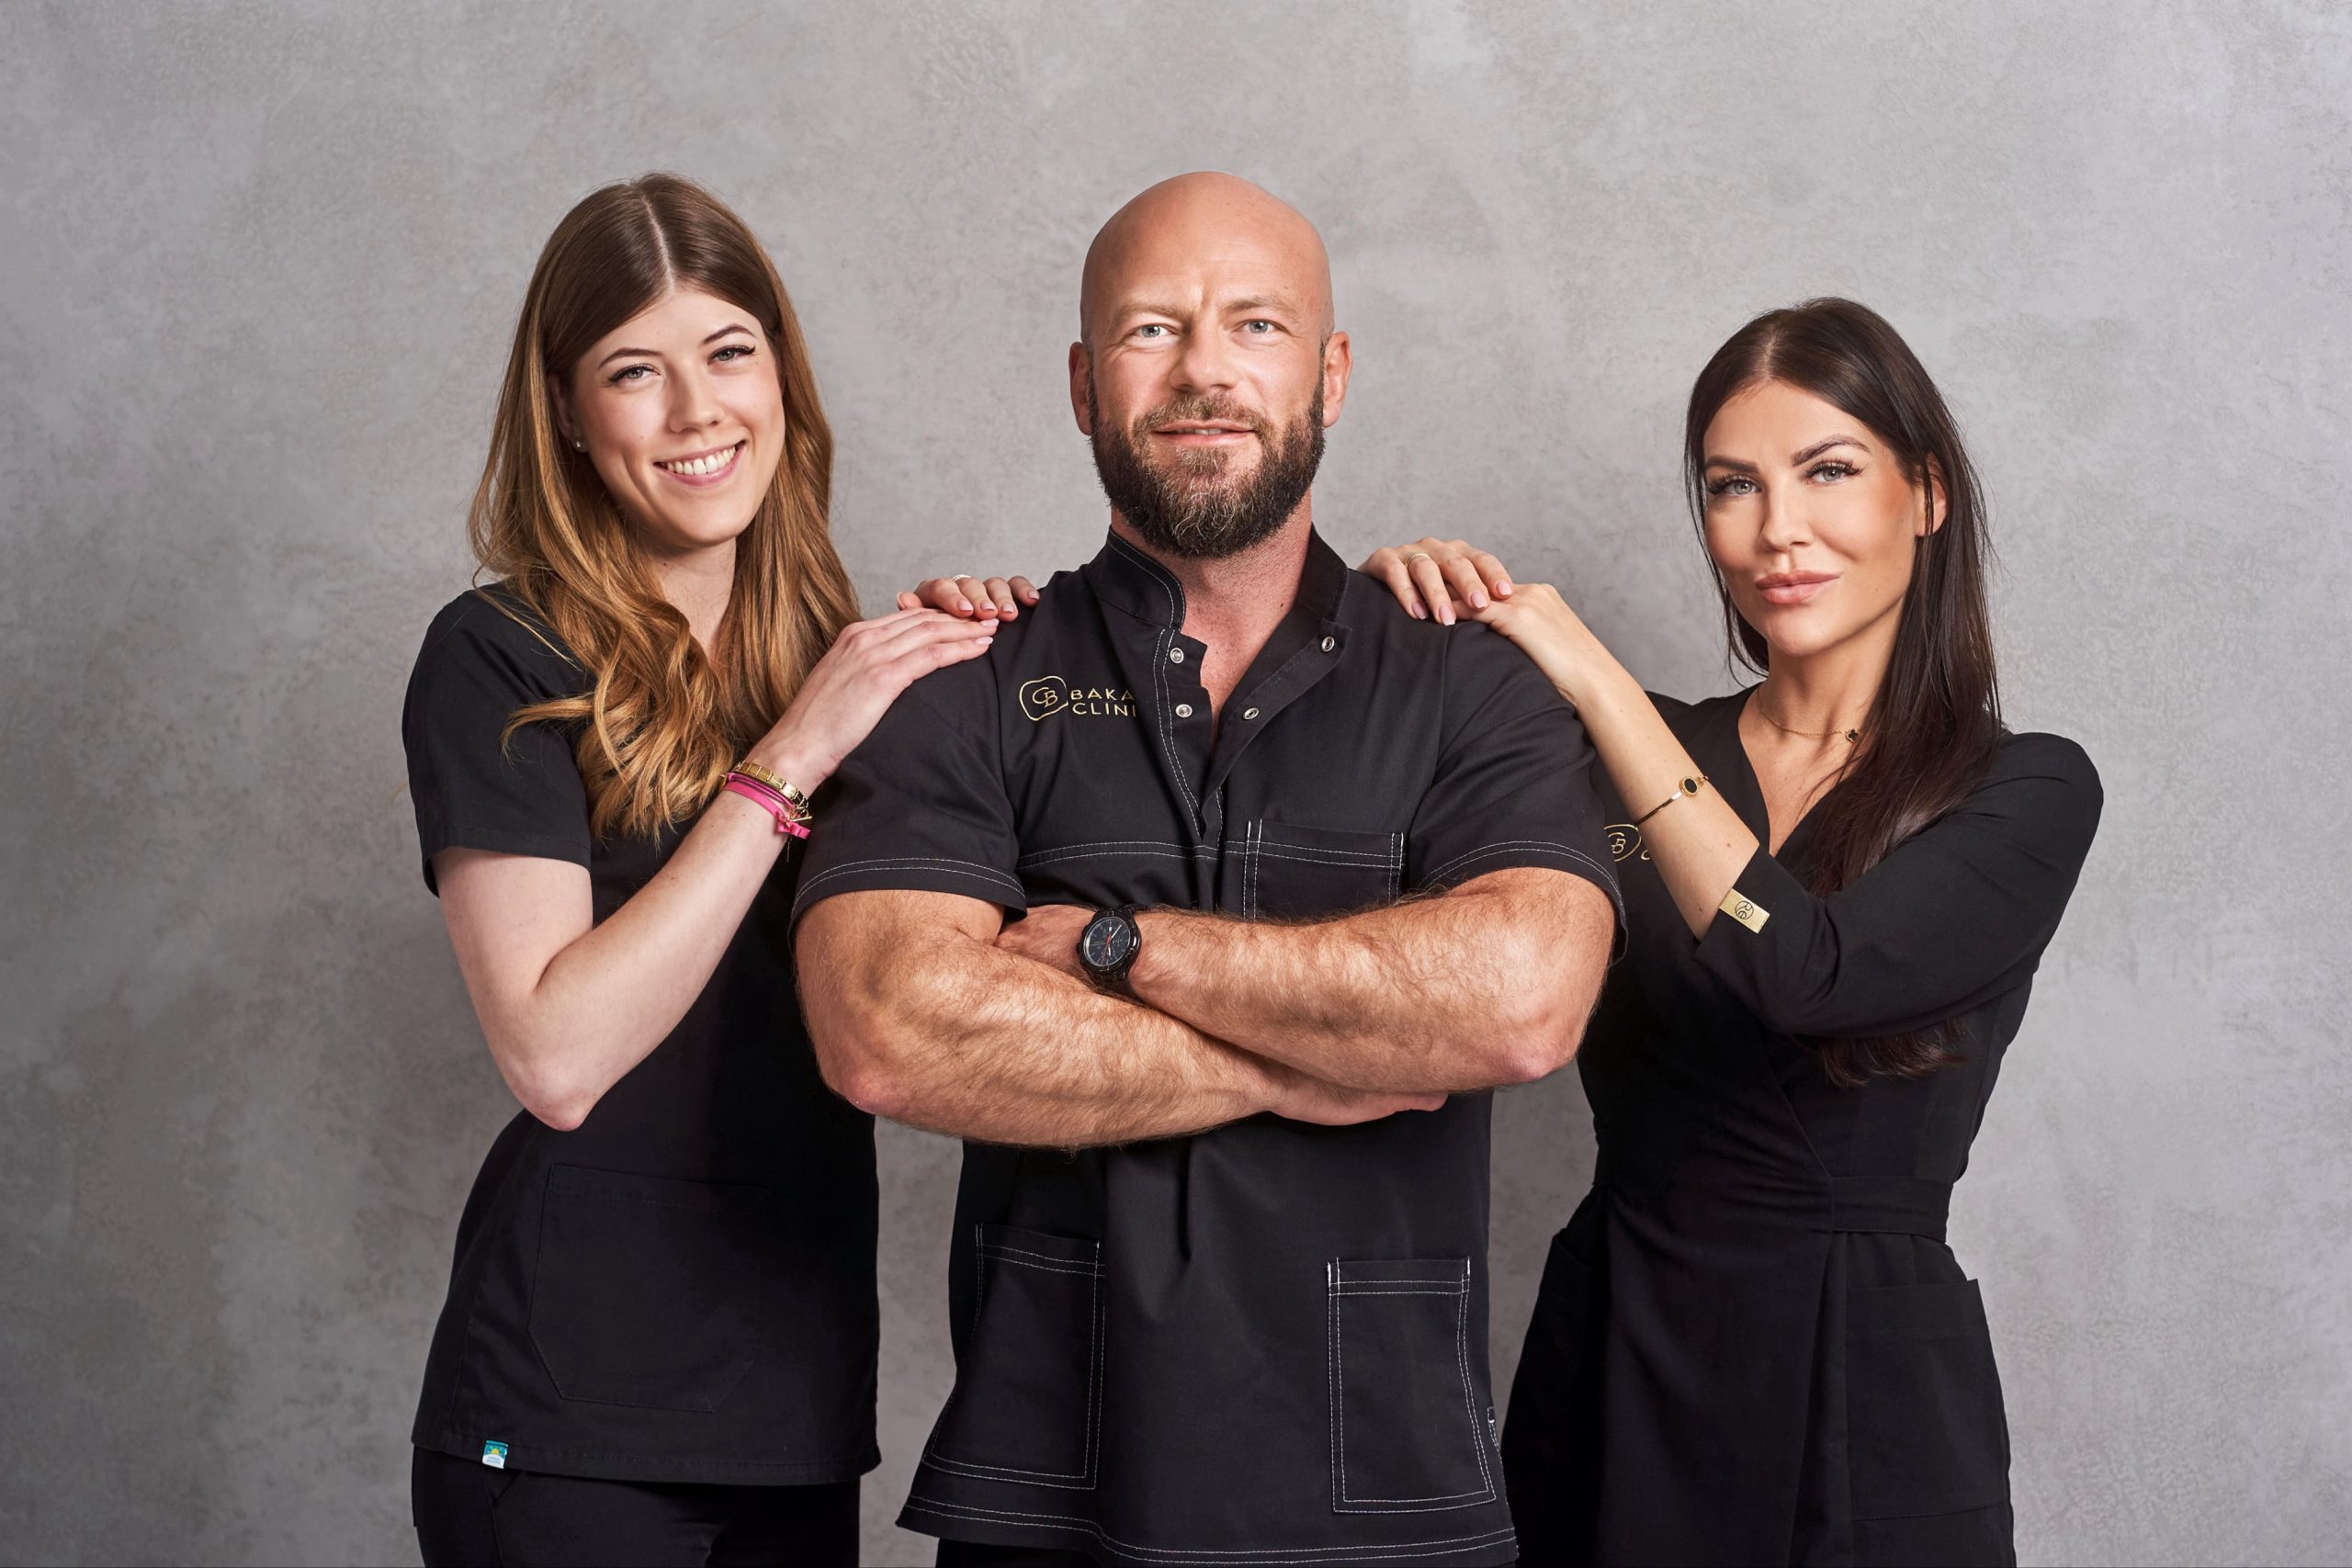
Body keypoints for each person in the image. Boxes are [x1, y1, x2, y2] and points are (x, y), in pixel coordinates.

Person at [794, 172, 1623, 1567]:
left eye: (1256, 325)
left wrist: (1120, 950)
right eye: (1150, 329)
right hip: (1046, 1491)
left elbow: (1523, 1000)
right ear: (1083, 385)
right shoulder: (963, 677)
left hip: (1391, 1488)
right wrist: (1315, 1063)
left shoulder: (1470, 681)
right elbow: (885, 1028)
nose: (1202, 372)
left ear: (1330, 374)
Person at [1355, 299, 2103, 1565]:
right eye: (1732, 486)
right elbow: (1329, 828)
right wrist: (1379, 625)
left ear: (1927, 494)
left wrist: (1593, 680)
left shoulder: (2023, 788)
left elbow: (1806, 970)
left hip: (1862, 1385)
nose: (1777, 531)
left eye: (1828, 471)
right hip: (1616, 1350)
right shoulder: (1605, 751)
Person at [399, 174, 996, 1567]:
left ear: (780, 374)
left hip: (792, 1411)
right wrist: (791, 759)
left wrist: (992, 660)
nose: (695, 412)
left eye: (728, 351)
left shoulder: (834, 664)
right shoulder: (498, 658)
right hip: (571, 1424)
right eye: (633, 372)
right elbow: (555, 1057)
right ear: (565, 411)